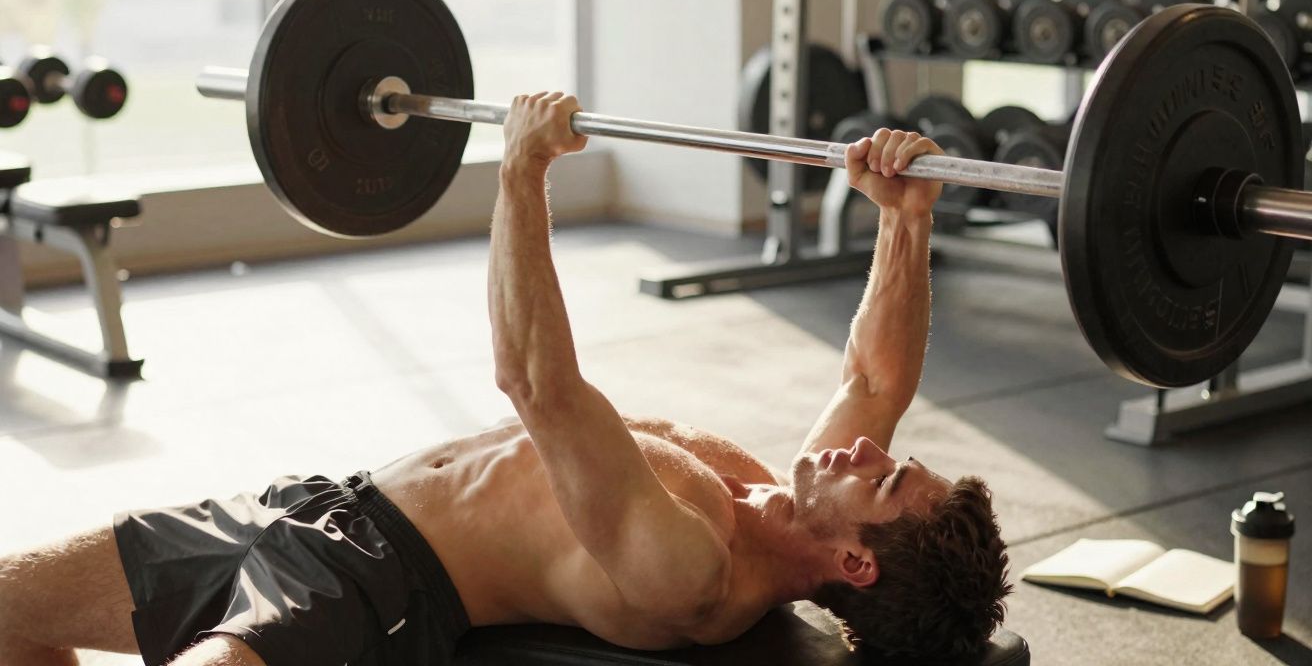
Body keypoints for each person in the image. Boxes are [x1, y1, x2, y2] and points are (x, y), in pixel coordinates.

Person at [0, 92, 1010, 666]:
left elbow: (536, 381)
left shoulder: (692, 565)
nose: (865, 444)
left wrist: (521, 171)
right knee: (11, 611)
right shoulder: (763, 487)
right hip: (309, 507)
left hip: (369, 591)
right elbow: (875, 372)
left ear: (856, 563)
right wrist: (903, 212)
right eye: (889, 456)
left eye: (878, 478)